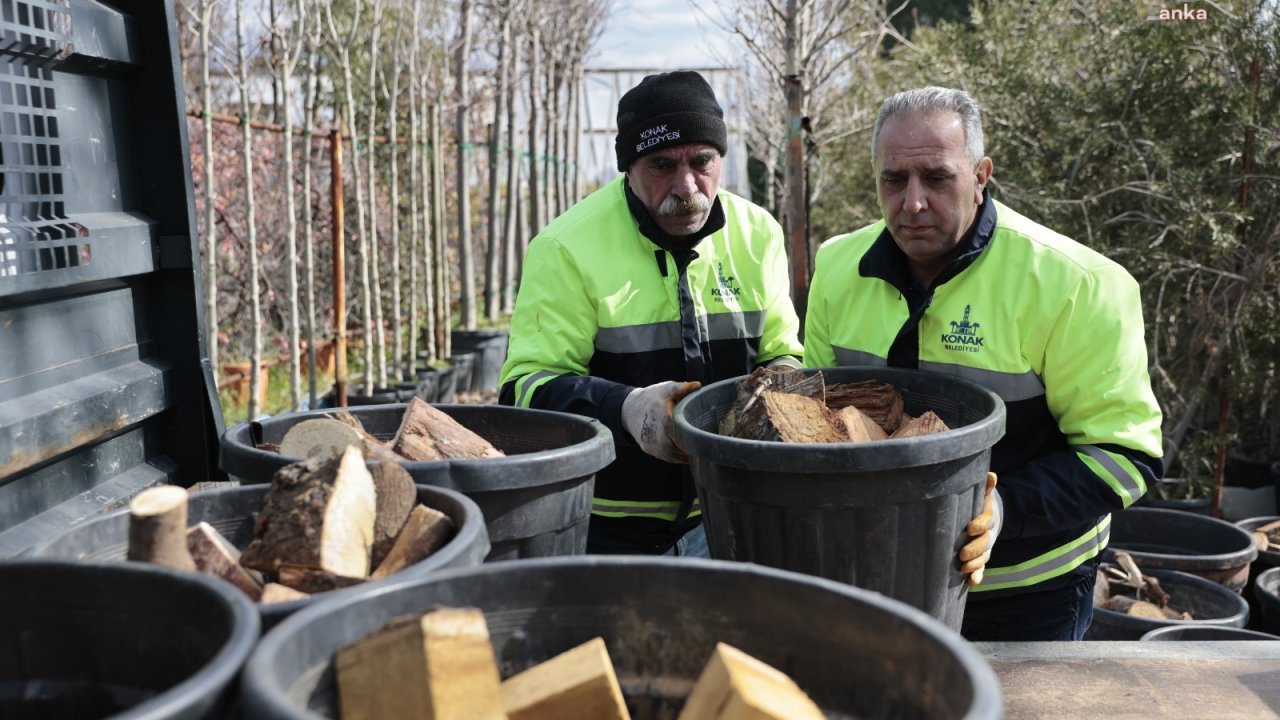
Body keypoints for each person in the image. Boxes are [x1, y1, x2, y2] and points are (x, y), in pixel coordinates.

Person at [803, 86, 1164, 640]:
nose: (913, 202)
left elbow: (1124, 455)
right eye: (893, 180)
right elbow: (816, 421)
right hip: (875, 580)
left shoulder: (1077, 285)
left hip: (1026, 594)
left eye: (938, 177)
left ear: (980, 174)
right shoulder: (837, 267)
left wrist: (1000, 512)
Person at [498, 70, 804, 556]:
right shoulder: (566, 247)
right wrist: (624, 407)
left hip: (735, 515)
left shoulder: (757, 233)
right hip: (607, 529)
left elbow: (784, 351)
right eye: (661, 165)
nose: (687, 187)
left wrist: (783, 388)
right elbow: (523, 390)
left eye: (702, 161)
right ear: (629, 168)